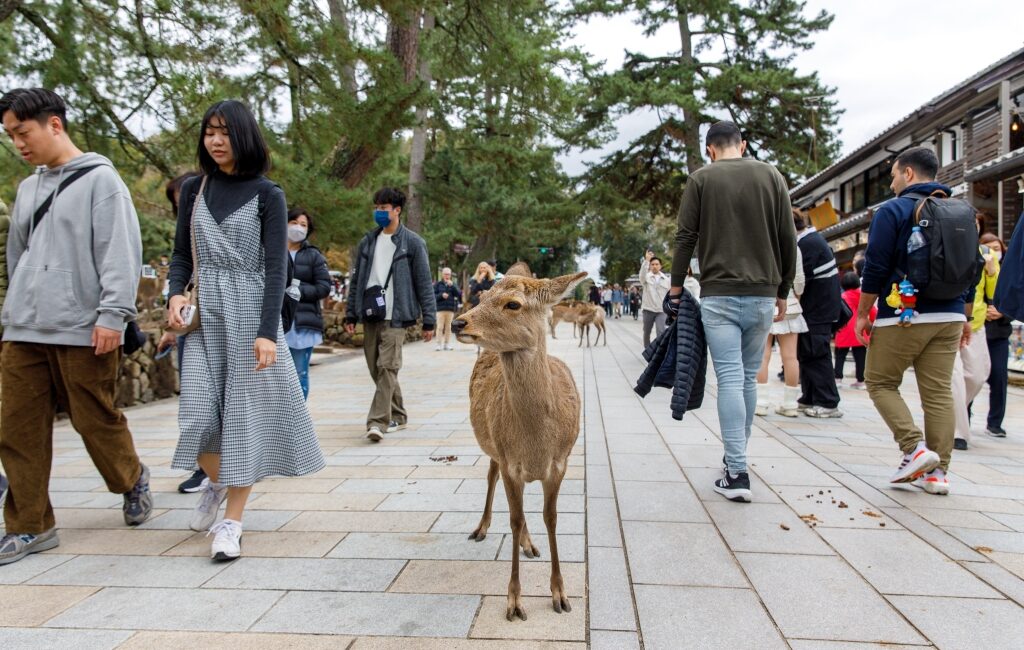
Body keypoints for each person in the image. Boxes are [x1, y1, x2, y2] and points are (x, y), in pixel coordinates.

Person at [0, 88, 153, 565]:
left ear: (54, 125)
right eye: (9, 136)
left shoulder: (101, 181)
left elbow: (120, 252)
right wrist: (13, 310)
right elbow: (16, 257)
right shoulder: (27, 188)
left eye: (23, 133)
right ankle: (30, 525)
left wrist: (112, 315)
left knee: (94, 419)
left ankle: (131, 478)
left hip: (84, 328)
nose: (18, 144)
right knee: (16, 428)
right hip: (25, 328)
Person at [167, 100, 324, 560]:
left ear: (245, 137)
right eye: (209, 132)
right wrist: (177, 294)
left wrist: (266, 332)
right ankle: (215, 482)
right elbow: (180, 255)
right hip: (205, 315)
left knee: (241, 419)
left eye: (225, 133)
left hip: (250, 311)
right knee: (196, 416)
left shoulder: (267, 194)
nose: (215, 141)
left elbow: (276, 269)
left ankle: (232, 522)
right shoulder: (195, 189)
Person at [669, 120, 795, 502]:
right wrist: (783, 289)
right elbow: (786, 235)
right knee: (745, 377)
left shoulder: (701, 179)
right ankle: (735, 457)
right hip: (762, 292)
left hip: (719, 293)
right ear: (742, 144)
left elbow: (686, 236)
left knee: (728, 377)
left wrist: (676, 286)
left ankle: (737, 472)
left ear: (710, 149)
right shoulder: (771, 176)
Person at [856, 147, 975, 496]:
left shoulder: (892, 210)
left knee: (878, 381)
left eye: (893, 175)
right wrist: (964, 315)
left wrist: (864, 313)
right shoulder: (962, 211)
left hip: (904, 313)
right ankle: (938, 474)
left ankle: (913, 448)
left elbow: (875, 266)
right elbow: (974, 268)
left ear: (908, 174)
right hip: (951, 314)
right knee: (938, 393)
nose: (892, 183)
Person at [344, 187, 436, 442]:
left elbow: (424, 283)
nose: (379, 212)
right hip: (372, 312)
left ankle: (377, 422)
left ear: (397, 210)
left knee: (388, 365)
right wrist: (351, 314)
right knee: (377, 368)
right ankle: (399, 413)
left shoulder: (413, 243)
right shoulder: (368, 242)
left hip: (396, 314)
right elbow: (357, 282)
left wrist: (429, 319)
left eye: (384, 208)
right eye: (376, 207)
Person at [156, 171, 207, 493]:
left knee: (211, 399)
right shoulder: (183, 240)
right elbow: (180, 278)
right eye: (178, 203)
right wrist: (170, 328)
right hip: (189, 321)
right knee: (195, 399)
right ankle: (205, 466)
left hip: (217, 316)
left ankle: (214, 468)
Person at [950, 216, 997, 450]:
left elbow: (994, 293)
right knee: (955, 378)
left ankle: (946, 412)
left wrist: (990, 272)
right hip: (949, 320)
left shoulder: (987, 253)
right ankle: (959, 432)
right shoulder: (949, 247)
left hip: (975, 323)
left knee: (977, 376)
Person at [795, 212, 843, 417]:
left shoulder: (808, 244)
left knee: (816, 353)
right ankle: (810, 396)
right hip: (817, 310)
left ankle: (828, 401)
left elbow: (798, 279)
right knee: (807, 353)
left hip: (817, 310)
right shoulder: (812, 241)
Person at [284, 207, 332, 400]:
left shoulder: (313, 255)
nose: (298, 228)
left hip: (303, 324)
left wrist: (298, 291)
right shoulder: (271, 251)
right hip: (276, 322)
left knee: (299, 373)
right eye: (294, 223)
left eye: (303, 225)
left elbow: (323, 287)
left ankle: (298, 419)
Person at [755, 241, 806, 417]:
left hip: (764, 300)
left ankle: (761, 402)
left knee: (762, 354)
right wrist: (796, 298)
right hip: (790, 302)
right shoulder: (793, 245)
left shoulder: (762, 240)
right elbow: (799, 280)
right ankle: (790, 404)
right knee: (791, 357)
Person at [980, 232, 1010, 437]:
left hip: (999, 333)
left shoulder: (1009, 271)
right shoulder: (975, 267)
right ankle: (965, 417)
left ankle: (995, 422)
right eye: (990, 248)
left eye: (997, 249)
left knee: (999, 376)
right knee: (972, 376)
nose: (994, 253)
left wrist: (1002, 311)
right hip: (977, 329)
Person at [835, 271, 875, 389]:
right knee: (860, 356)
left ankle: (837, 378)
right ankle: (861, 380)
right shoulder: (863, 296)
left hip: (844, 329)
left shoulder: (842, 297)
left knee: (840, 356)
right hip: (860, 330)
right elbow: (873, 311)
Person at [639, 251, 671, 348]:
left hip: (661, 311)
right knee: (646, 332)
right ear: (650, 266)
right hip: (648, 309)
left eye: (657, 264)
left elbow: (669, 295)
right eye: (652, 264)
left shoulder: (667, 279)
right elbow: (641, 275)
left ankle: (659, 353)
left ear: (660, 266)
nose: (654, 266)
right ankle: (647, 351)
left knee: (661, 332)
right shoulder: (646, 277)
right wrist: (646, 261)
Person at [434, 267, 461, 351]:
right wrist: (441, 295)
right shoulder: (438, 284)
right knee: (439, 327)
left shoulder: (453, 284)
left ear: (450, 275)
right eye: (445, 274)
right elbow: (433, 296)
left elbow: (458, 294)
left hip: (450, 309)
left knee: (448, 328)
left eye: (448, 274)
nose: (447, 276)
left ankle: (447, 344)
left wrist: (452, 286)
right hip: (440, 309)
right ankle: (438, 344)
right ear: (442, 274)